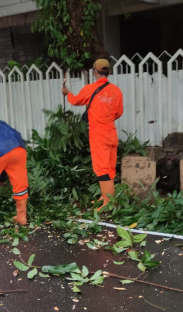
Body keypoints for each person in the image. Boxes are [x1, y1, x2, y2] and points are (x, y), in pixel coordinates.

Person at [62, 59, 123, 211]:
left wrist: (68, 93)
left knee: (102, 169)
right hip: (111, 133)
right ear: (108, 72)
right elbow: (118, 113)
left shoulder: (90, 89)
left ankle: (109, 203)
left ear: (95, 72)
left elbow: (75, 101)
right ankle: (106, 195)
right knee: (109, 167)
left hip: (98, 135)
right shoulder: (116, 91)